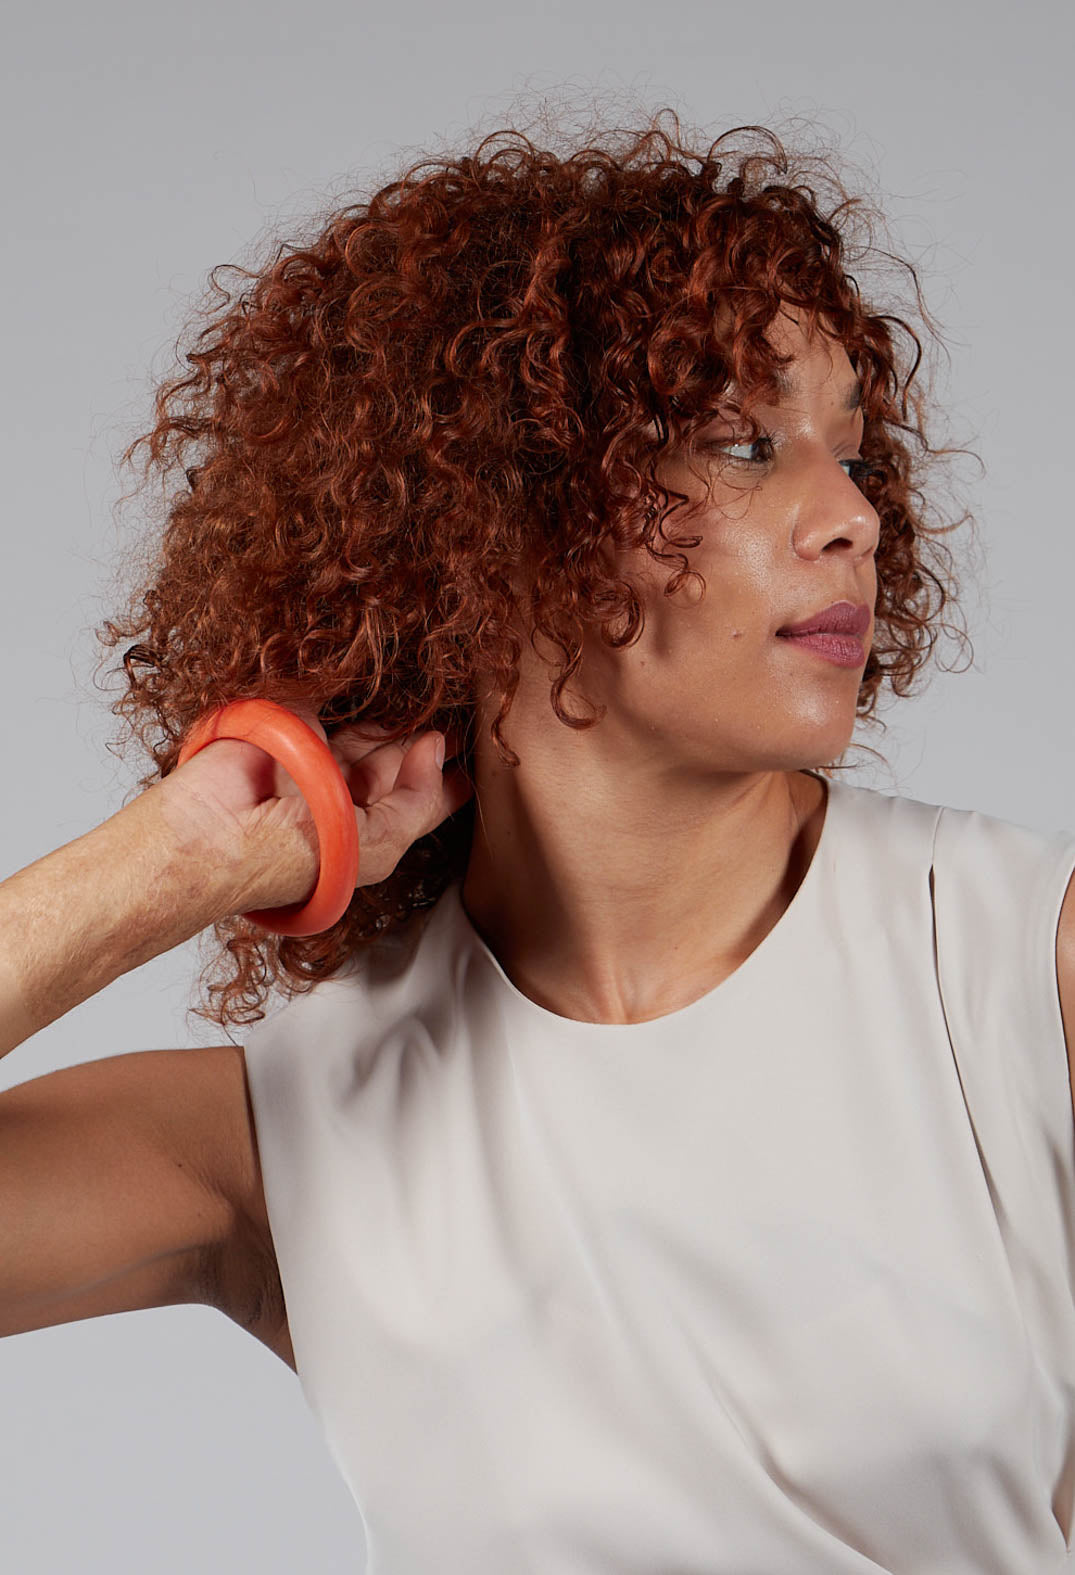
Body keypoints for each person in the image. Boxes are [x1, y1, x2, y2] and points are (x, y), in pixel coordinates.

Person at [3, 110, 1075, 1572]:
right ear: (509, 514)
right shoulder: (292, 1131)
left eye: (856, 449)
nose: (854, 518)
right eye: (745, 445)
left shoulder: (1020, 975)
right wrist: (169, 866)